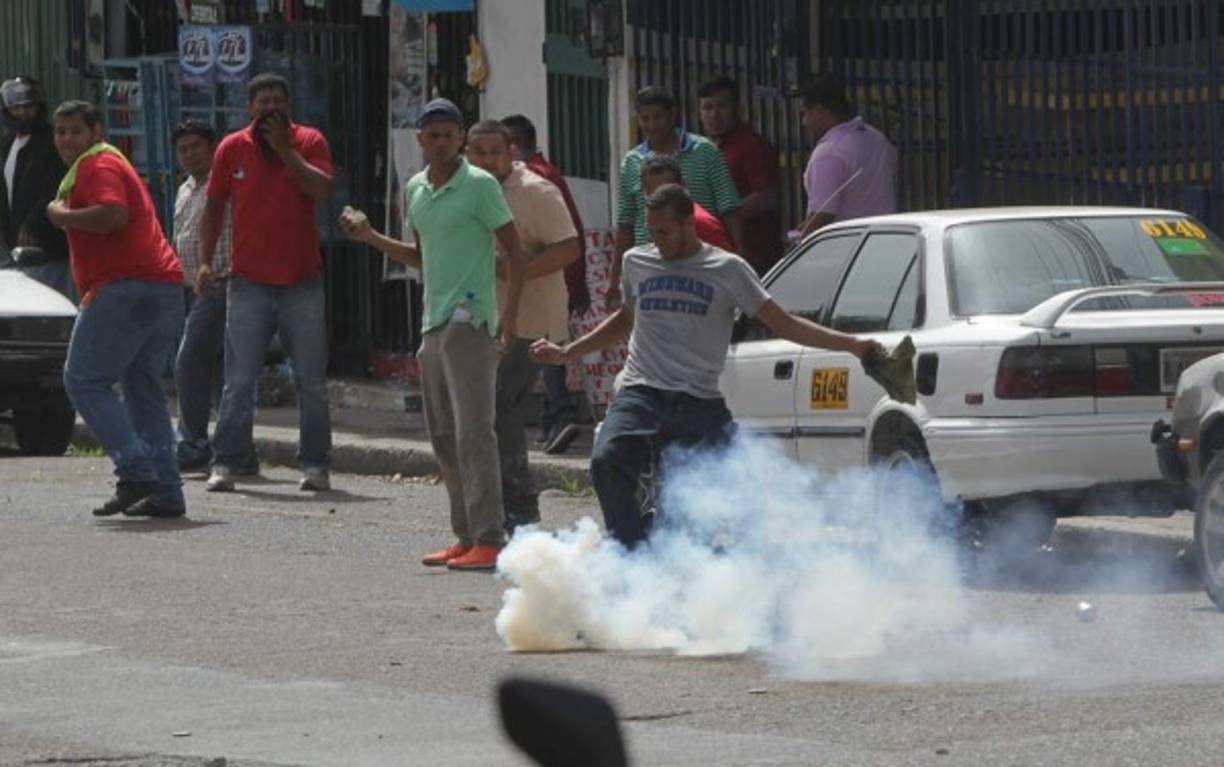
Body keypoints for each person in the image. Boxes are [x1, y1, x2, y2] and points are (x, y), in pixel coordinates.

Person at [530, 185, 881, 549]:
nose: (657, 241)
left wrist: (853, 345)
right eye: (651, 232)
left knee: (699, 510)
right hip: (641, 391)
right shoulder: (637, 261)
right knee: (606, 460)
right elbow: (626, 318)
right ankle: (629, 559)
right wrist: (566, 352)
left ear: (688, 225)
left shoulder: (727, 269)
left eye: (664, 231)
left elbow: (783, 323)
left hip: (697, 402)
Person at [339, 98, 527, 571]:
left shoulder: (481, 185)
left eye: (448, 134)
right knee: (443, 435)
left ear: (460, 138)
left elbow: (515, 252)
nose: (441, 142)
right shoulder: (418, 189)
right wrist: (371, 237)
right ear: (419, 140)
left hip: (473, 322)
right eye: (432, 135)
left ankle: (489, 537)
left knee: (474, 434)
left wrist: (509, 316)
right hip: (434, 323)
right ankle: (465, 537)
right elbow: (420, 256)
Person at [47, 101, 186, 518]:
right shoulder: (108, 161)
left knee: (83, 381)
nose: (66, 140)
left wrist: (61, 215)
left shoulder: (98, 165)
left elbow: (113, 216)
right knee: (143, 391)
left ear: (96, 131)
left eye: (75, 131)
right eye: (60, 132)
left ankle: (135, 470)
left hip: (126, 288)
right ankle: (166, 492)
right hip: (160, 287)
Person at [199, 73, 334, 494]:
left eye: (277, 101)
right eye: (263, 102)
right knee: (238, 379)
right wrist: (205, 262)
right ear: (250, 108)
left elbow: (322, 191)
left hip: (301, 281)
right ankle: (228, 460)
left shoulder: (309, 141)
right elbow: (214, 206)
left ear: (288, 107)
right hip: (249, 282)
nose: (270, 108)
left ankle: (315, 464)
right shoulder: (231, 147)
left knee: (311, 380)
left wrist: (285, 151)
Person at [465, 119, 582, 534]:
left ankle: (520, 505)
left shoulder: (535, 191)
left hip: (532, 319)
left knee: (498, 402)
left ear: (510, 150)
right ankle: (498, 505)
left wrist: (518, 270)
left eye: (494, 151)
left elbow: (569, 247)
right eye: (477, 152)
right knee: (486, 408)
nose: (485, 160)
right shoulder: (466, 188)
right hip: (484, 316)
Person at [169, 119, 257, 474]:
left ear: (213, 147)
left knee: (190, 361)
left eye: (196, 147)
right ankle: (237, 449)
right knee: (224, 371)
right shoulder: (186, 189)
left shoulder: (227, 184)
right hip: (197, 287)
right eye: (183, 149)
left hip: (223, 282)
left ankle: (193, 442)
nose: (189, 154)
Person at [609, 85, 740, 308]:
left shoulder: (705, 152)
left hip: (699, 264)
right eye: (645, 118)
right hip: (649, 268)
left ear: (672, 115)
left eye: (657, 117)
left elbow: (729, 210)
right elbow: (625, 223)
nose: (651, 124)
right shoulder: (631, 162)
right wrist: (615, 280)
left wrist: (739, 263)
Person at [502, 113, 587, 454]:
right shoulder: (542, 174)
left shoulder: (533, 180)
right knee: (544, 345)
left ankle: (559, 414)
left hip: (541, 279)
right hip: (547, 277)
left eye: (503, 147)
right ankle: (556, 417)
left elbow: (561, 241)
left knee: (538, 346)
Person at [697, 75, 783, 275]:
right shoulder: (705, 149)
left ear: (738, 108)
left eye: (721, 106)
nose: (714, 114)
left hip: (754, 258)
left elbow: (766, 197)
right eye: (707, 108)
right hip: (719, 255)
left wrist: (719, 218)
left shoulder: (753, 146)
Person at [798, 74, 897, 238]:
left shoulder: (828, 153)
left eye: (805, 114)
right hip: (884, 242)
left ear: (820, 111)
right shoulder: (877, 139)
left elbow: (823, 215)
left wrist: (799, 247)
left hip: (847, 250)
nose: (804, 122)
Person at [0, 77, 70, 297]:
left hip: (47, 248)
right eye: (16, 107)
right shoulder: (8, 143)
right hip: (16, 250)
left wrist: (34, 223)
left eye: (28, 106)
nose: (23, 113)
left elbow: (56, 187)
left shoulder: (52, 142)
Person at [640, 155, 733, 251]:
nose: (661, 201)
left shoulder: (703, 224)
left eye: (668, 192)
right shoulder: (650, 219)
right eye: (654, 194)